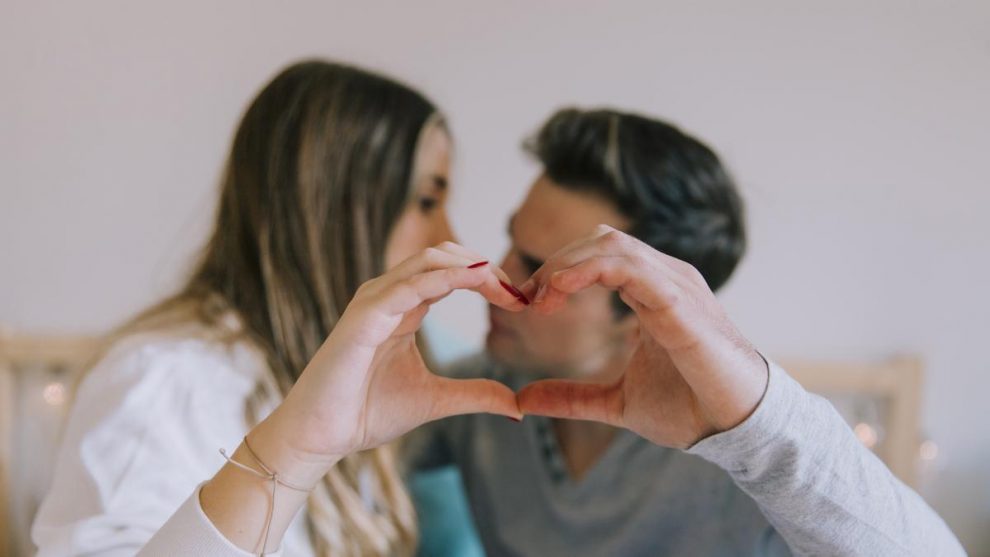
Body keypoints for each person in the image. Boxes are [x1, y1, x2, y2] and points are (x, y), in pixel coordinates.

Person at [409, 108, 965, 556]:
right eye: (512, 241)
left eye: (543, 267)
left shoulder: (740, 454)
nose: (500, 278)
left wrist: (757, 430)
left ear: (639, 310)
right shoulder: (478, 396)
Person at [32, 59, 528, 556]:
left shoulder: (370, 368)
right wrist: (292, 451)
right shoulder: (160, 381)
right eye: (426, 202)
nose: (449, 237)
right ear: (331, 207)